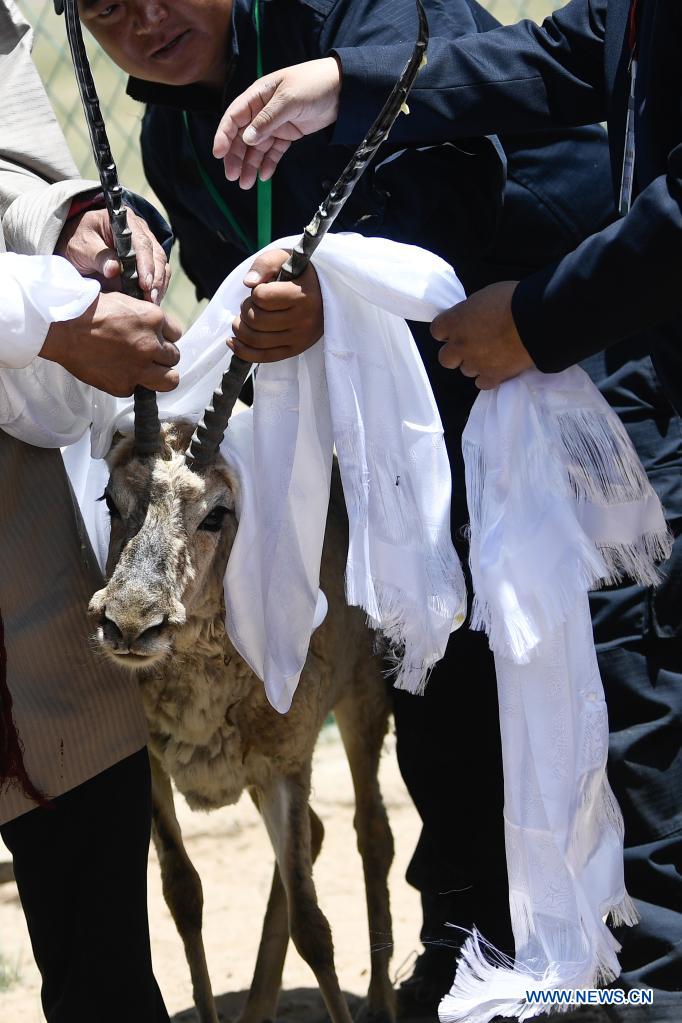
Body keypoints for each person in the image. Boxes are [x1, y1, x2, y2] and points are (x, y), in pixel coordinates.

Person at [78, 1, 680, 1020]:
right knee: (427, 646)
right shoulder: (178, 132)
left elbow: (474, 172)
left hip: (571, 351)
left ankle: (639, 962)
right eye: (100, 9)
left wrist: (361, 293)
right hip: (411, 431)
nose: (140, 21)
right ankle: (468, 934)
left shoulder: (360, 11)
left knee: (606, 652)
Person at [0, 2, 182, 1019]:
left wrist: (79, 226)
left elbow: (17, 174)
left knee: (100, 960)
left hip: (26, 573)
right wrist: (47, 316)